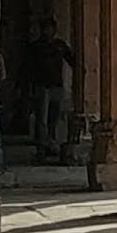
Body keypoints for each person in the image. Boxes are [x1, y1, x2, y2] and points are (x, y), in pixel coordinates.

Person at [23, 17, 75, 158]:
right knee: (42, 119)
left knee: (55, 118)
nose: (48, 31)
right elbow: (28, 68)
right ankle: (42, 147)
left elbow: (72, 61)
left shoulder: (59, 45)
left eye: (50, 28)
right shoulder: (36, 47)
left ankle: (52, 144)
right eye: (45, 28)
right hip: (42, 86)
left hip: (56, 85)